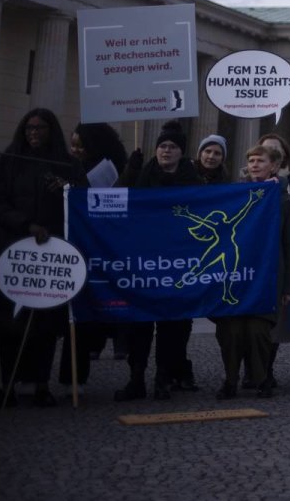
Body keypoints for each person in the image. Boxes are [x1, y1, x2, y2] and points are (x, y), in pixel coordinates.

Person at [0, 108, 86, 407]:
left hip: (52, 254)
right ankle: (10, 382)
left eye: (40, 128)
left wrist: (68, 191)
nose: (33, 133)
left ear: (51, 130)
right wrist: (24, 224)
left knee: (45, 324)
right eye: (29, 128)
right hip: (13, 250)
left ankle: (40, 384)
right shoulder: (7, 163)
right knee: (10, 323)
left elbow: (83, 203)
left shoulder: (68, 165)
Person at [115, 123, 204, 401]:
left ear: (181, 152)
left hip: (178, 263)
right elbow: (116, 199)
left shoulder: (193, 181)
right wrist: (130, 169)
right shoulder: (141, 174)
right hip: (144, 262)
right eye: (163, 146)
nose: (166, 151)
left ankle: (163, 377)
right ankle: (136, 378)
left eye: (172, 147)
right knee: (138, 324)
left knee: (174, 327)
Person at [215, 145, 290, 399]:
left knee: (257, 331)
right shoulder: (235, 195)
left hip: (267, 277)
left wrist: (289, 287)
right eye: (250, 160)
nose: (254, 165)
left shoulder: (283, 199)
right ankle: (230, 379)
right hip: (237, 275)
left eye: (260, 161)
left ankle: (261, 379)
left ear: (273, 166)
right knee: (231, 330)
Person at [61, 121, 129, 382]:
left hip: (107, 244)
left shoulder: (111, 170)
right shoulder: (69, 167)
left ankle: (118, 338)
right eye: (73, 144)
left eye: (81, 146)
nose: (75, 150)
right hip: (80, 243)